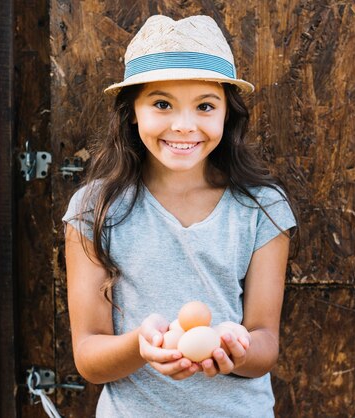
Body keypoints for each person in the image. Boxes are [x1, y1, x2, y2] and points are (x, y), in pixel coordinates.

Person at [63, 14, 298, 417]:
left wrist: (236, 348)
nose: (184, 126)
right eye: (161, 104)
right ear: (132, 111)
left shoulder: (262, 208)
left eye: (205, 106)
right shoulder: (95, 209)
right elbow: (88, 356)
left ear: (228, 112)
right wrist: (140, 345)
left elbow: (265, 343)